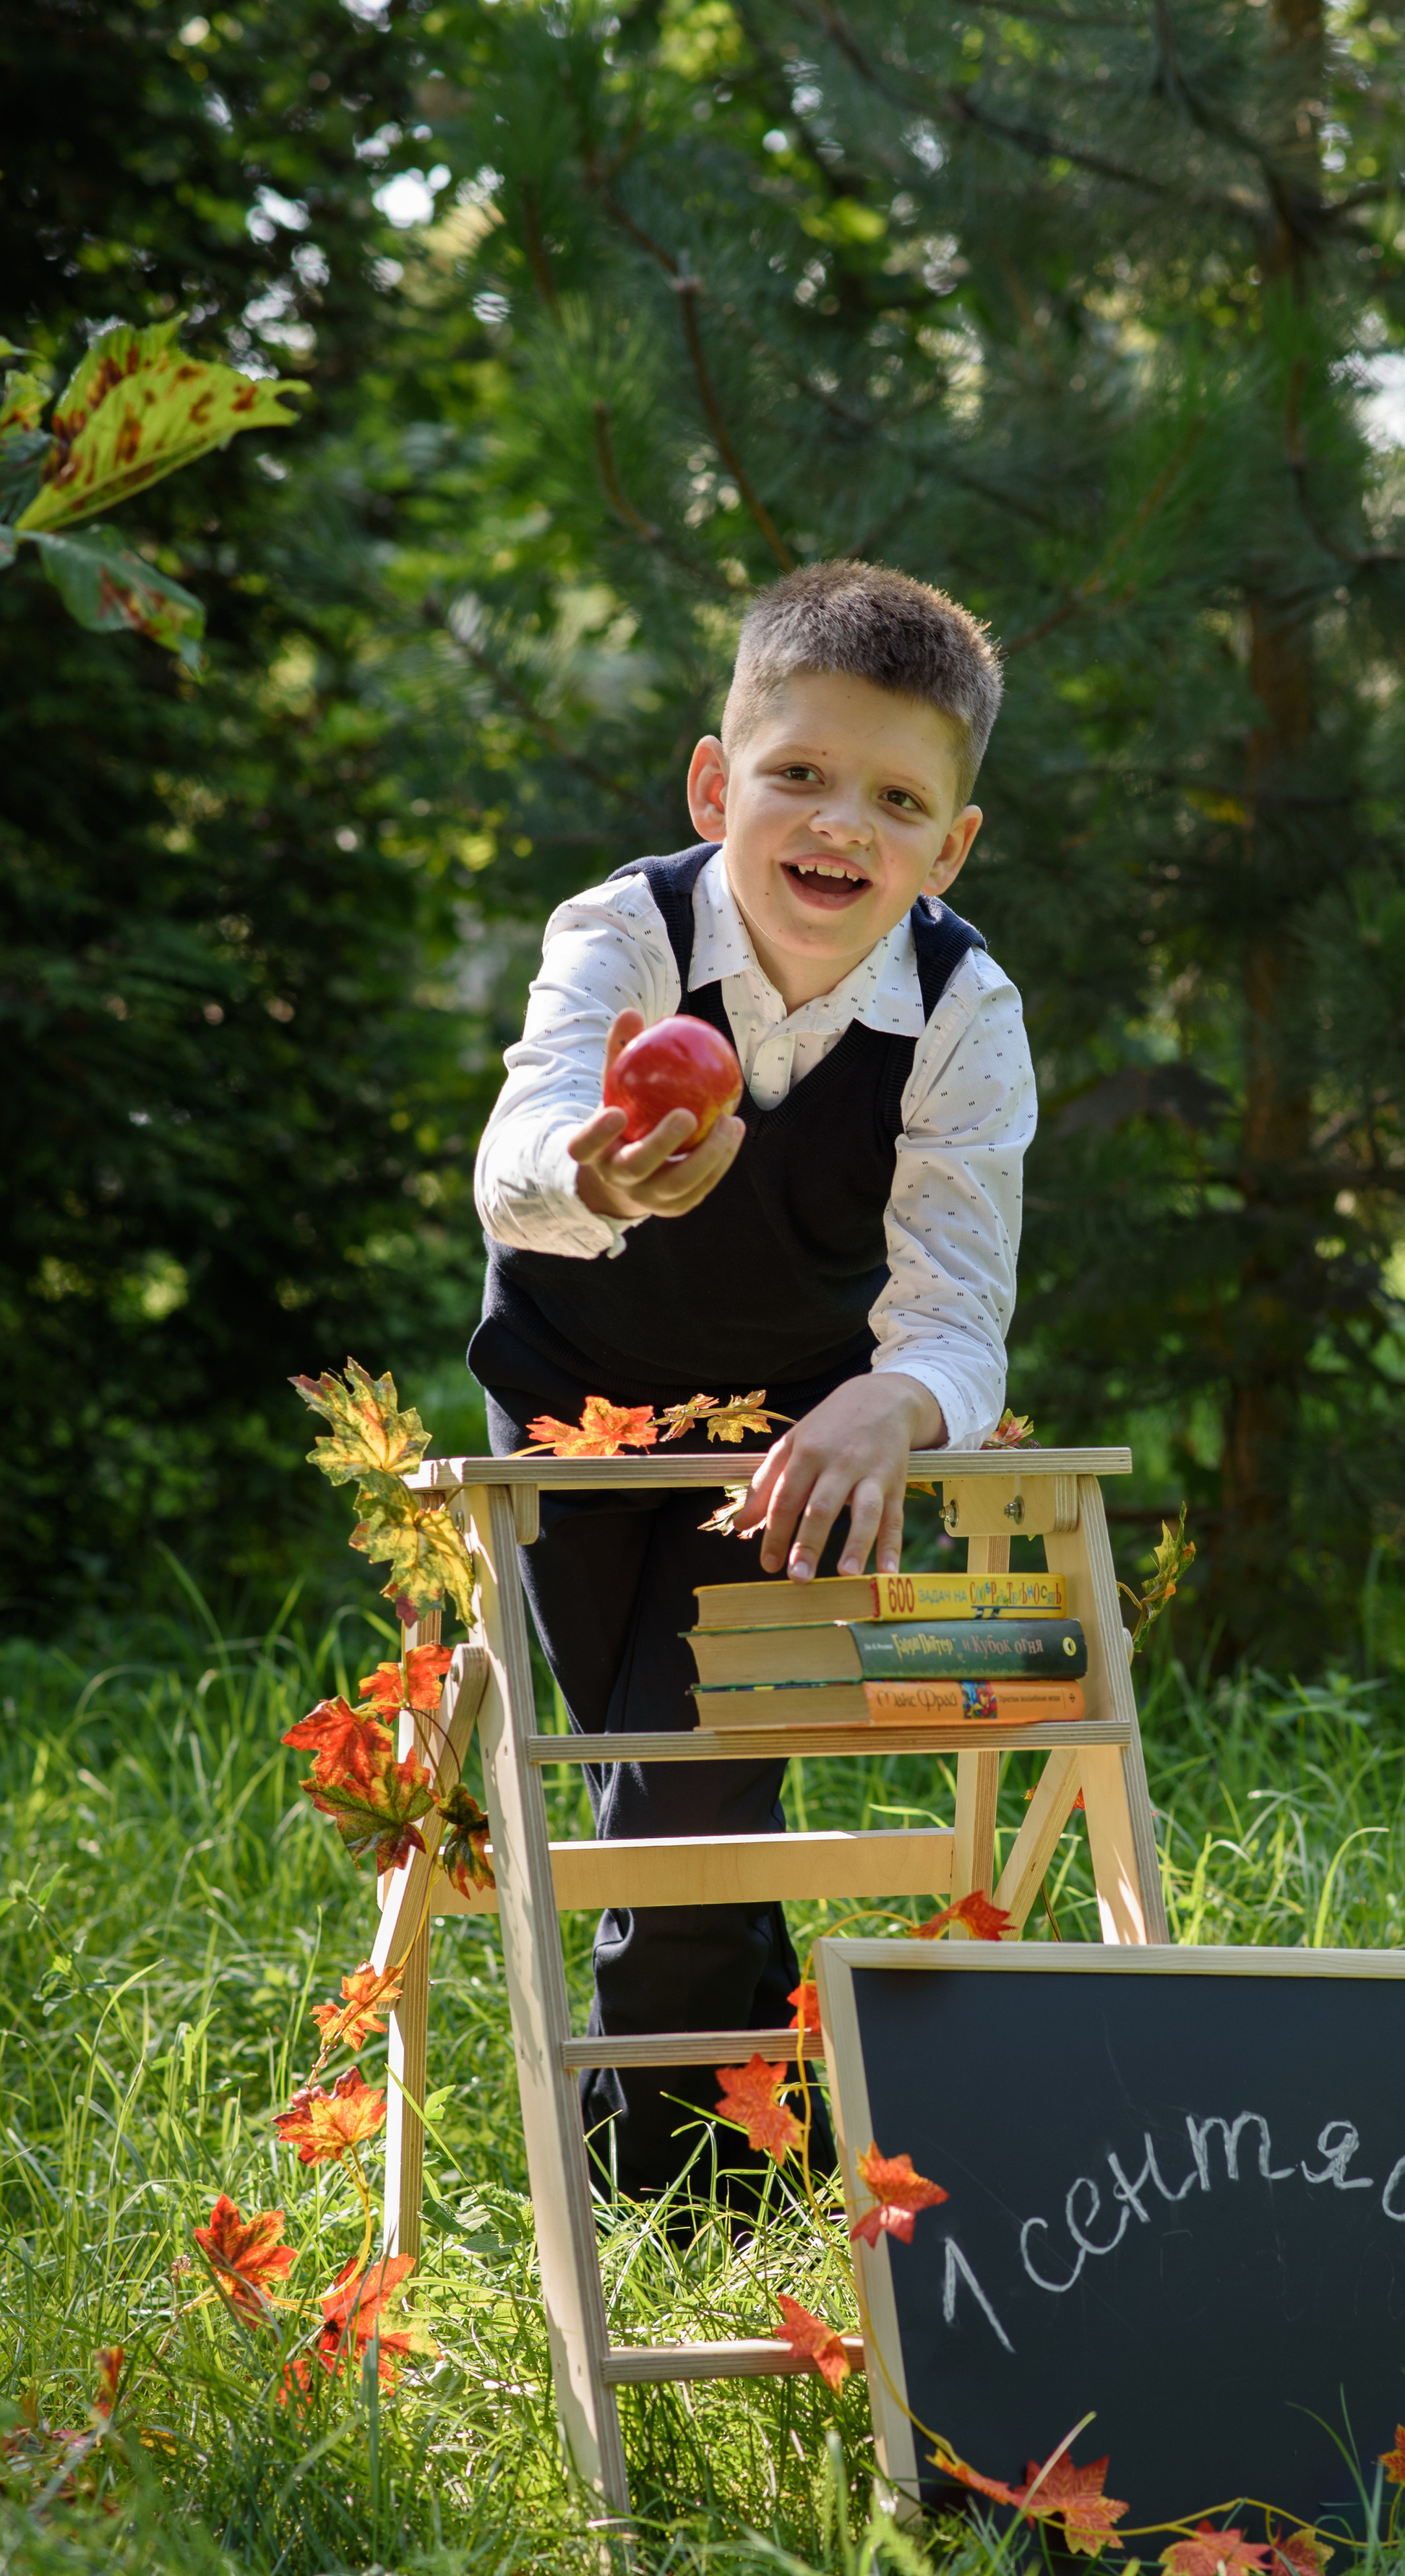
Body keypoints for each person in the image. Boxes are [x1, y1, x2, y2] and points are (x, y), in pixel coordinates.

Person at [468, 559, 1034, 2209]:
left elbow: (955, 1301)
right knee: (648, 1756)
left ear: (950, 843)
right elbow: (511, 1162)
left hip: (785, 1432)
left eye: (894, 798)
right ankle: (761, 2154)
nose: (837, 823)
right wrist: (591, 1175)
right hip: (569, 1405)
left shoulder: (957, 1005)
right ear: (717, 782)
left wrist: (896, 1401)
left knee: (685, 1771)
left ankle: (659, 2193)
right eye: (796, 773)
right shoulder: (625, 933)